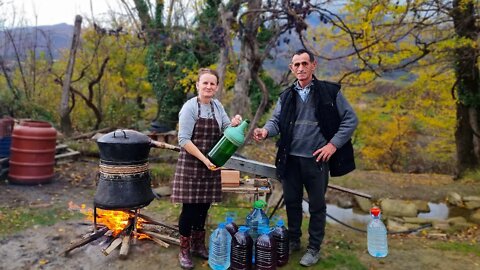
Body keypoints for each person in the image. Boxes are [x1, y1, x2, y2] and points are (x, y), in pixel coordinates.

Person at [253, 49, 358, 267]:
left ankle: (314, 248)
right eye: (296, 65)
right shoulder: (286, 96)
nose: (300, 68)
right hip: (290, 160)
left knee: (317, 205)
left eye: (304, 63)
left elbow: (350, 119)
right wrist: (265, 131)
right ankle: (293, 241)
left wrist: (332, 145)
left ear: (313, 65)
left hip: (316, 161)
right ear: (291, 68)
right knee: (292, 203)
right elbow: (275, 121)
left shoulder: (330, 91)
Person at [172, 68, 242, 269]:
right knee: (190, 210)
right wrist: (204, 159)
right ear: (198, 85)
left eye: (212, 83)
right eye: (205, 83)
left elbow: (226, 129)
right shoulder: (189, 108)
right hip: (192, 164)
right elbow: (183, 139)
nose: (209, 87)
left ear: (217, 87)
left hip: (210, 165)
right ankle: (184, 250)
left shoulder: (217, 106)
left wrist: (235, 124)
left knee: (204, 207)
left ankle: (198, 245)